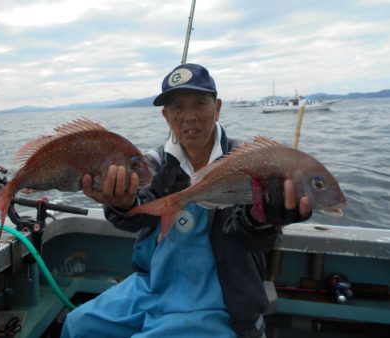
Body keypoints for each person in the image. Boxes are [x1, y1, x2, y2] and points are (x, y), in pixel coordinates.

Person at [60, 63, 312, 338]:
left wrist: (265, 217)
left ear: (217, 108)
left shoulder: (245, 162)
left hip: (222, 298)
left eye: (199, 104)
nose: (189, 116)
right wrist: (122, 203)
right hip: (153, 285)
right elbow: (137, 215)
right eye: (178, 107)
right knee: (78, 324)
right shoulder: (156, 162)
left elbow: (251, 238)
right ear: (166, 116)